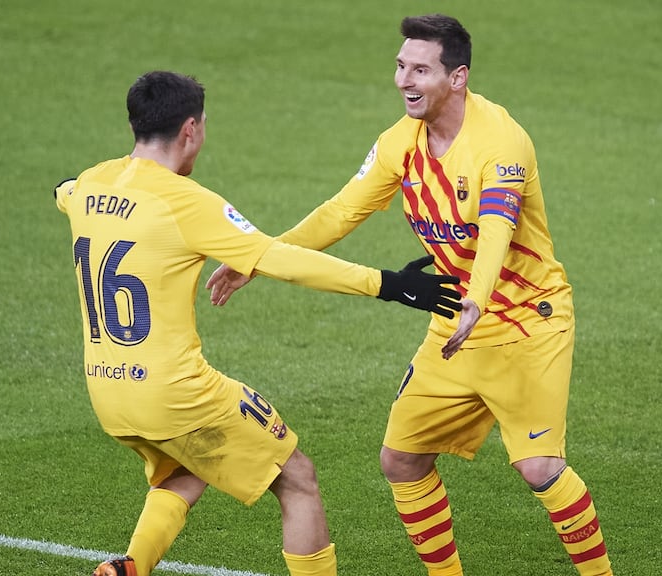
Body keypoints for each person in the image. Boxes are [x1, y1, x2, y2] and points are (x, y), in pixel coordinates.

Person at [206, 14, 613, 576]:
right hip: (455, 323)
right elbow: (340, 211)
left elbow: (496, 227)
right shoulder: (399, 143)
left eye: (420, 69)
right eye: (401, 66)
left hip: (526, 321)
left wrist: (476, 298)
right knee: (401, 459)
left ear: (458, 77)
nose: (404, 80)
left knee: (539, 466)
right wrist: (262, 255)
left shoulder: (501, 142)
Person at [54, 70, 461, 576]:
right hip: (176, 394)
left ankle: (128, 568)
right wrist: (388, 283)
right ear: (190, 130)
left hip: (108, 393)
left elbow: (64, 189)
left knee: (185, 468)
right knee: (298, 479)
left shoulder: (90, 182)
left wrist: (67, 187)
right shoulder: (188, 203)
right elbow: (282, 259)